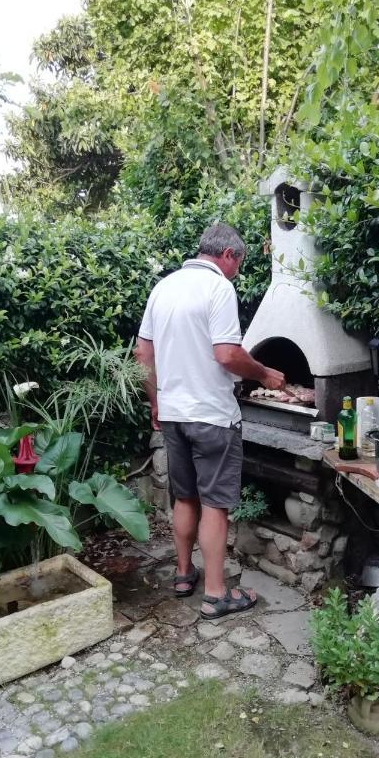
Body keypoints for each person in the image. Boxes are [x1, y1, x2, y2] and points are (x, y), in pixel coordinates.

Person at [134, 222, 285, 620]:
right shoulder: (219, 288)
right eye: (239, 263)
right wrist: (265, 373)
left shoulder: (163, 287)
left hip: (173, 415)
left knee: (185, 497)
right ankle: (217, 595)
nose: (237, 272)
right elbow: (227, 355)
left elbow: (141, 355)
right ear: (228, 255)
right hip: (212, 417)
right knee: (215, 505)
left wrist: (155, 402)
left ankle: (184, 575)